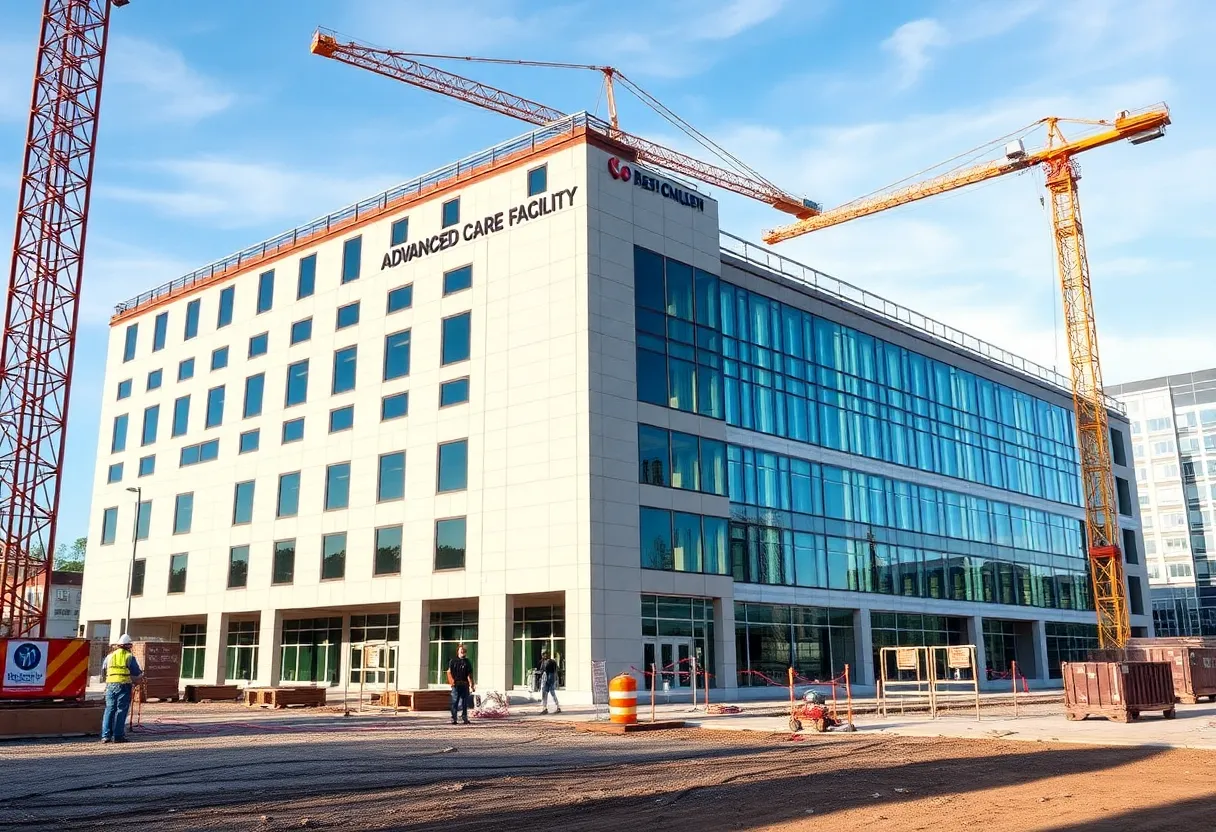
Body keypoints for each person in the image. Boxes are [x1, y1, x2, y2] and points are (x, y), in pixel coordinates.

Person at [100, 634, 142, 744]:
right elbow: (136, 672)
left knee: (109, 710)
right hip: (123, 685)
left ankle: (105, 736)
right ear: (129, 646)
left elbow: (103, 671)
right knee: (121, 710)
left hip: (110, 685)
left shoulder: (109, 656)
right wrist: (140, 677)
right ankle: (118, 736)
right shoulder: (129, 657)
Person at [447, 643, 475, 725]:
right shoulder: (453, 661)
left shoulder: (467, 662)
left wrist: (472, 684)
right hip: (456, 685)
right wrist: (452, 683)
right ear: (458, 652)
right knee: (454, 701)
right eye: (461, 650)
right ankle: (454, 718)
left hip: (464, 684)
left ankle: (464, 717)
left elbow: (469, 674)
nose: (462, 652)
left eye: (464, 651)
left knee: (464, 702)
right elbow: (449, 672)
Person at [537, 650, 561, 714]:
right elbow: (541, 670)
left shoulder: (551, 662)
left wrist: (550, 680)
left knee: (551, 693)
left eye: (545, 654)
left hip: (549, 679)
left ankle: (557, 707)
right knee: (545, 694)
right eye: (543, 654)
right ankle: (545, 708)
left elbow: (553, 671)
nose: (544, 656)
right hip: (546, 679)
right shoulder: (542, 662)